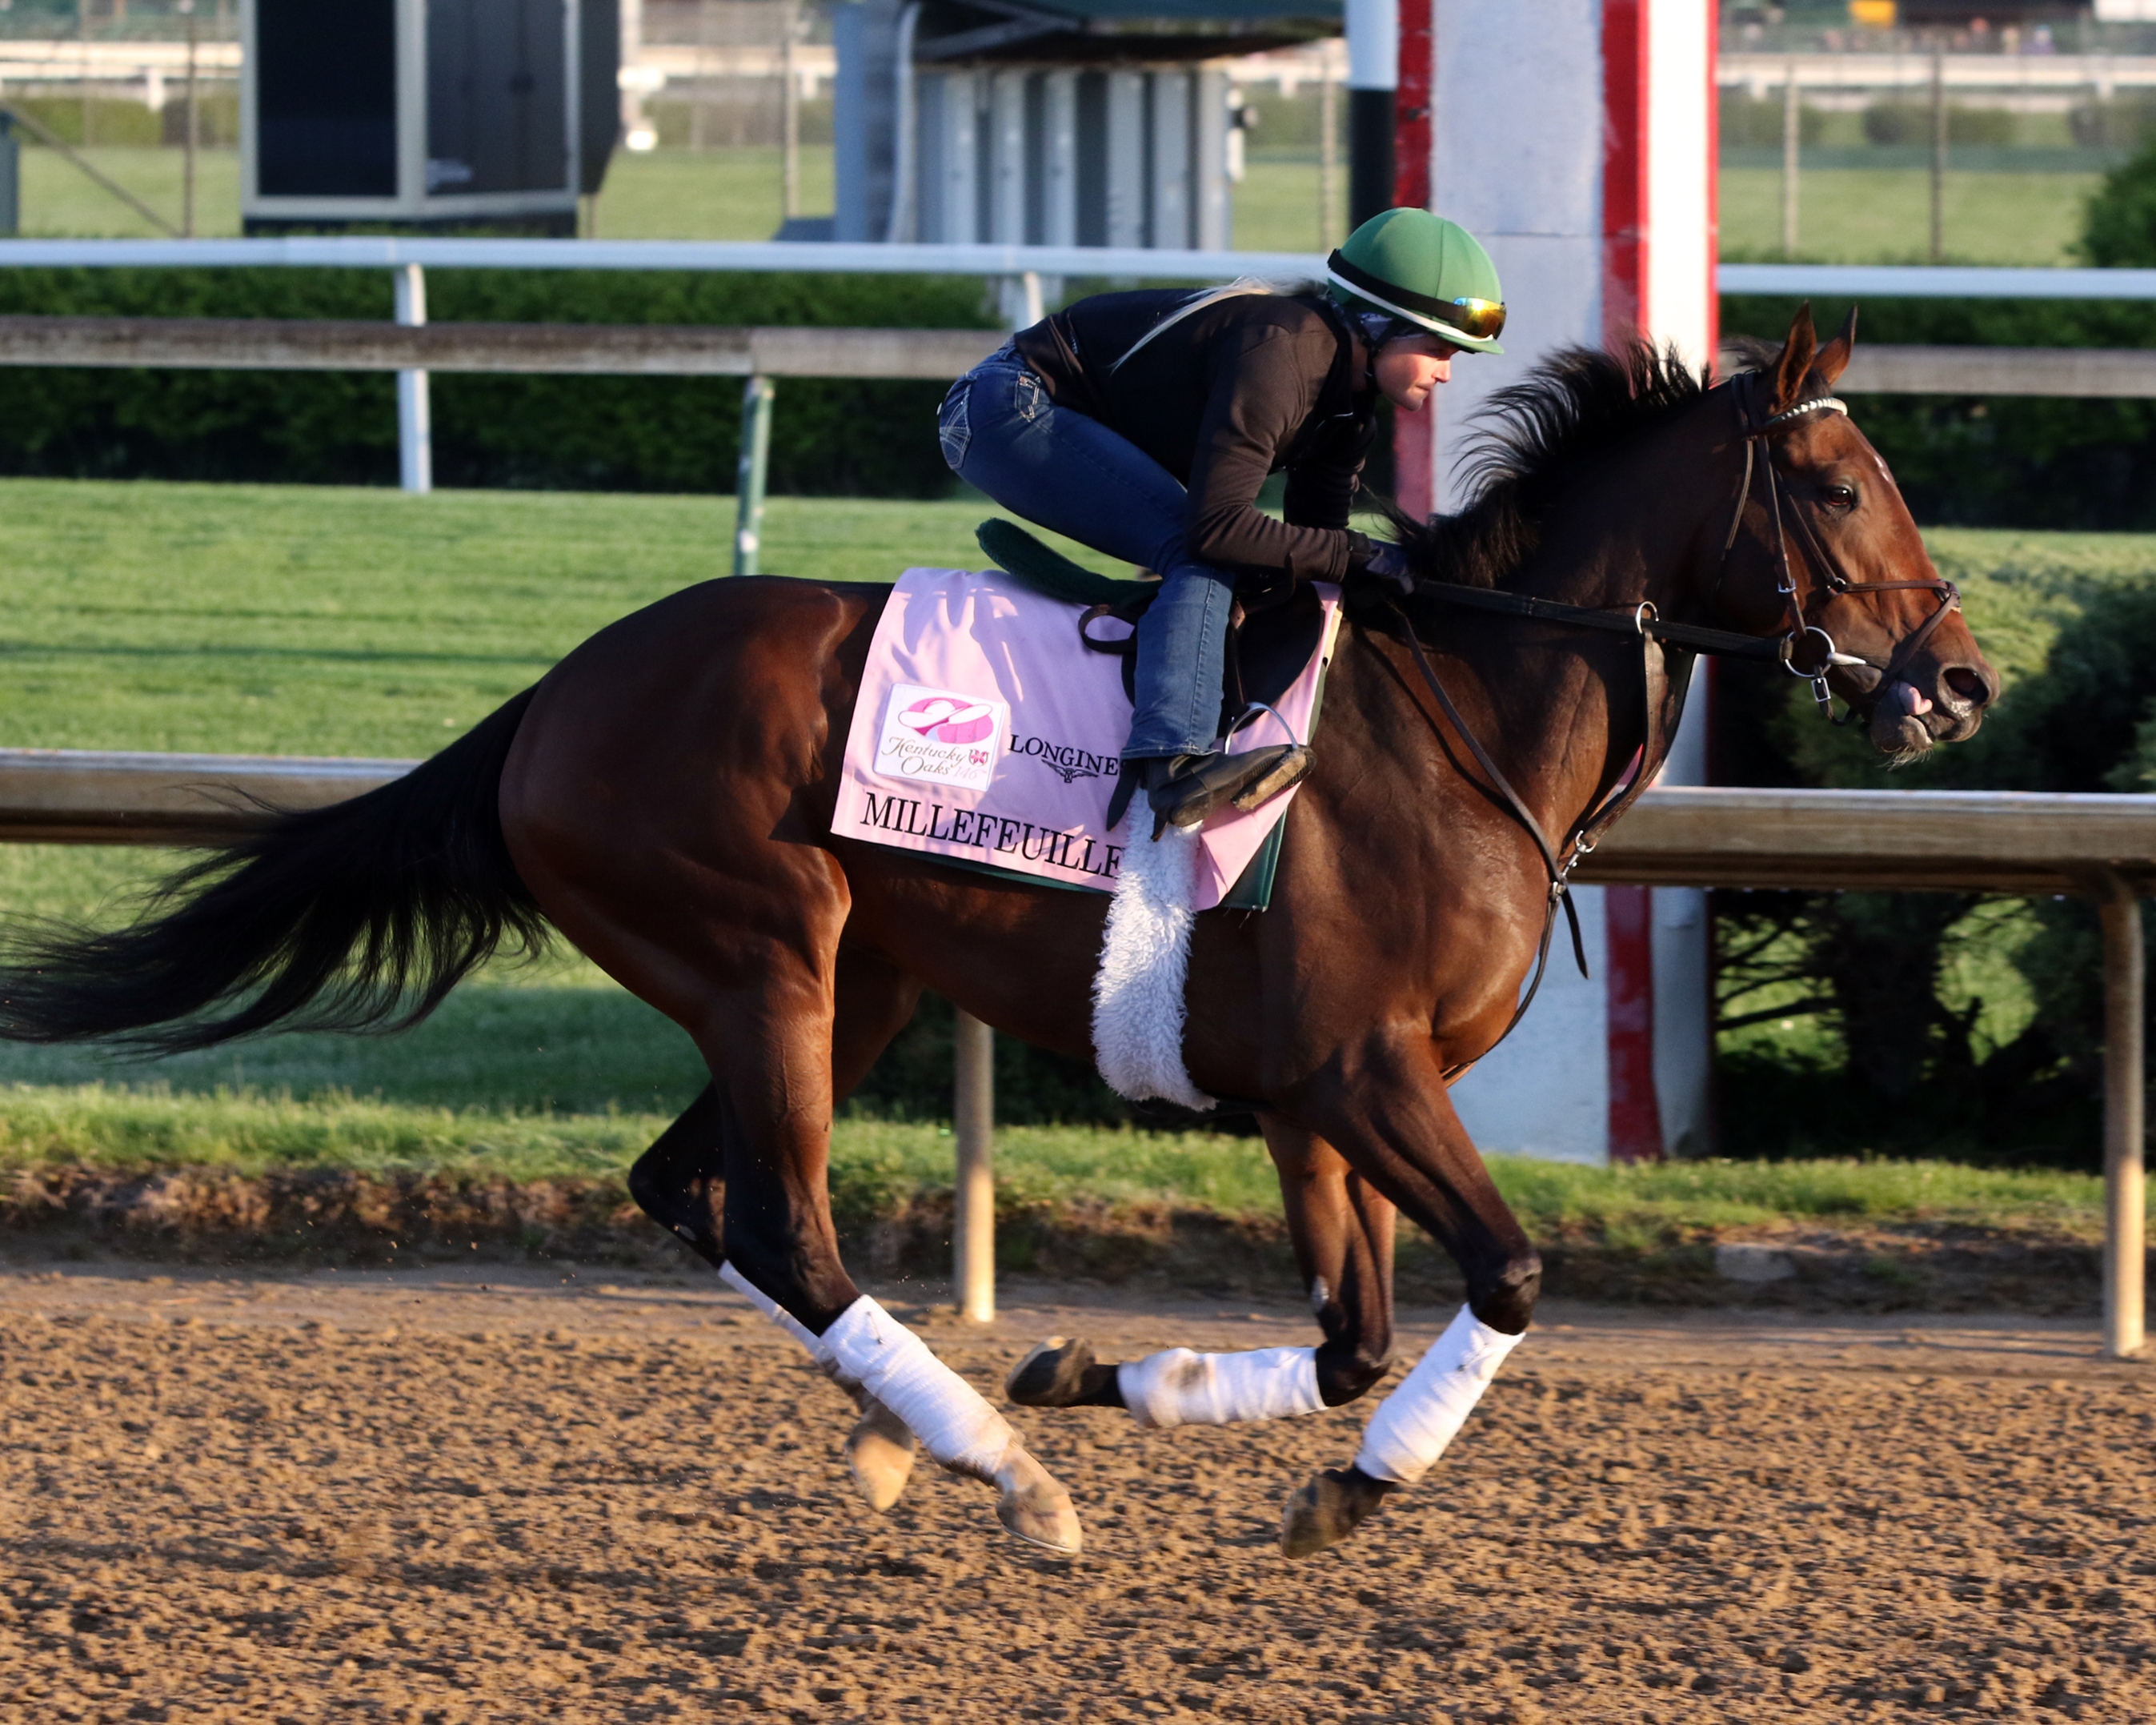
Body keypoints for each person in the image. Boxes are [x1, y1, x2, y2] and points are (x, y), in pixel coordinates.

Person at [937, 207, 1507, 834]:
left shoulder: (1351, 415)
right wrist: (1362, 554)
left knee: (1257, 564)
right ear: (1379, 325)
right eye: (1438, 347)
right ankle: (1173, 761)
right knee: (1194, 550)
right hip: (1005, 406)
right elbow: (1220, 528)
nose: (1447, 370)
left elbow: (1313, 551)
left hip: (1053, 414)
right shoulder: (1285, 349)